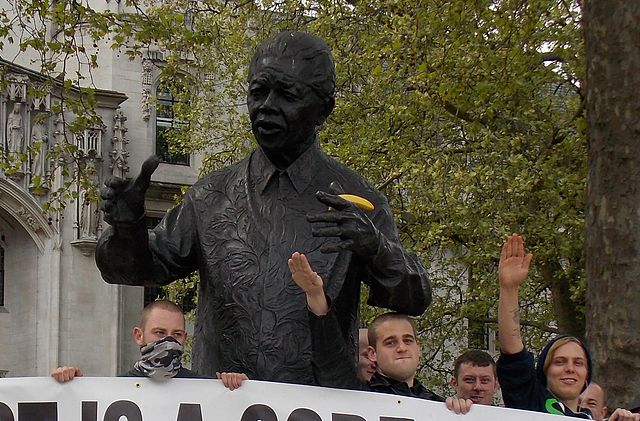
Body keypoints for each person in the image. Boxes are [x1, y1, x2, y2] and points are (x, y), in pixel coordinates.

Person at [95, 31, 431, 385]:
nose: (267, 106)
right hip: (223, 405)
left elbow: (415, 297)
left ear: (324, 109)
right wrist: (128, 228)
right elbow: (133, 270)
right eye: (258, 92)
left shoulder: (358, 200)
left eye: (287, 95)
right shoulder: (212, 195)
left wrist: (376, 249)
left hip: (315, 403)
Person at [288, 251, 471, 414]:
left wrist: (463, 414)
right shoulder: (354, 395)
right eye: (390, 342)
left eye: (408, 340)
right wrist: (315, 295)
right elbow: (330, 360)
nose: (401, 348)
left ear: (419, 348)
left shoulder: (442, 408)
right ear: (372, 354)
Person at [497, 234, 639, 421]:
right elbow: (512, 350)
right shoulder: (532, 401)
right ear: (545, 370)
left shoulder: (591, 417)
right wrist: (509, 288)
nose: (570, 369)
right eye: (560, 362)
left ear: (587, 374)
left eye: (578, 363)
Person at [51, 300, 247, 389]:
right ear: (139, 336)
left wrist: (238, 389)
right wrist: (67, 388)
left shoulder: (207, 388)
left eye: (176, 334)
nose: (168, 341)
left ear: (185, 338)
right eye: (159, 333)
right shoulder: (113, 389)